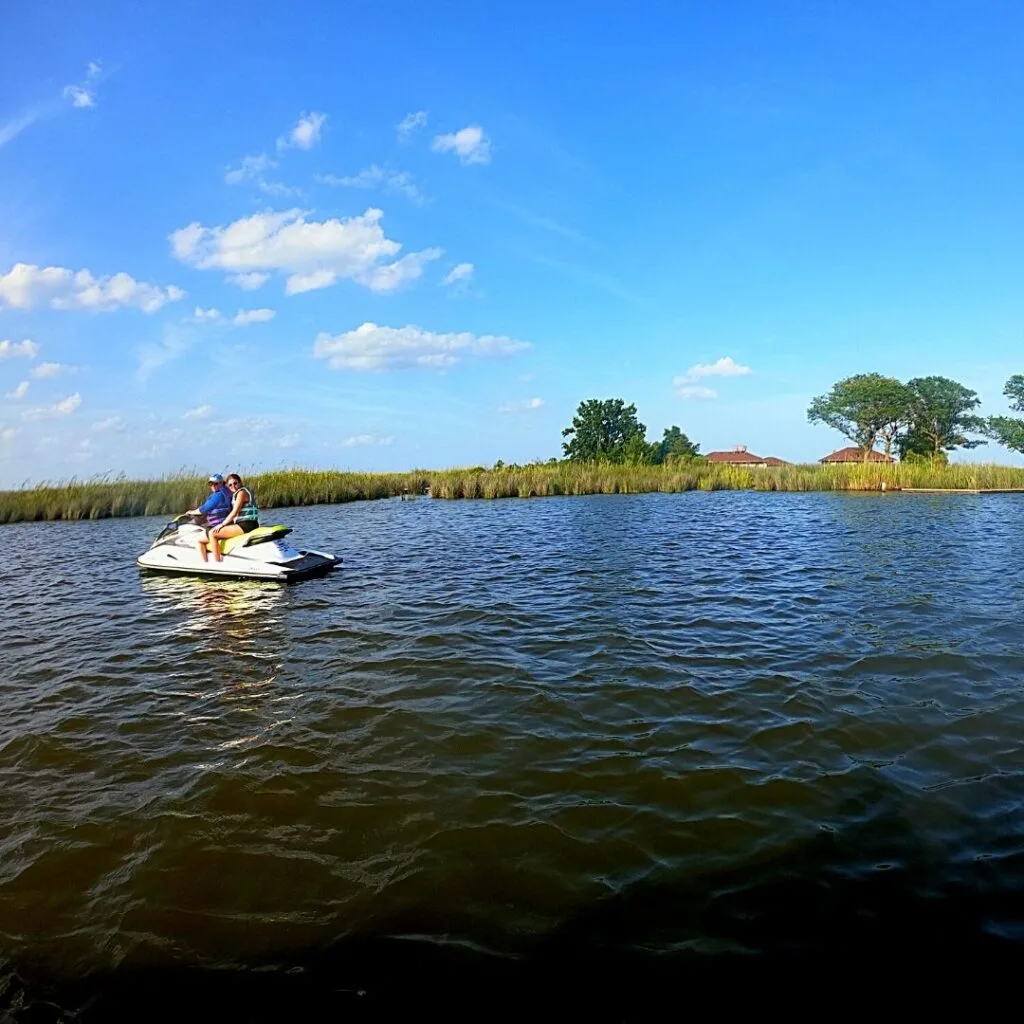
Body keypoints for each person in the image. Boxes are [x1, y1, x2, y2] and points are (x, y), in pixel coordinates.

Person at [206, 473, 260, 562]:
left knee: (212, 533)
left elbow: (234, 512)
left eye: (235, 483)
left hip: (246, 525)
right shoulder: (238, 493)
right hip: (246, 524)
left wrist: (221, 524)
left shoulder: (241, 493)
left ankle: (217, 563)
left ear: (240, 483)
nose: (233, 486)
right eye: (230, 485)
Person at [188, 473, 233, 562]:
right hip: (228, 524)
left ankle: (205, 564)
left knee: (198, 540)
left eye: (215, 483)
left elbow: (204, 509)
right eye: (210, 483)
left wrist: (191, 512)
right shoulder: (227, 492)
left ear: (221, 483)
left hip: (217, 526)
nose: (213, 486)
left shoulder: (217, 495)